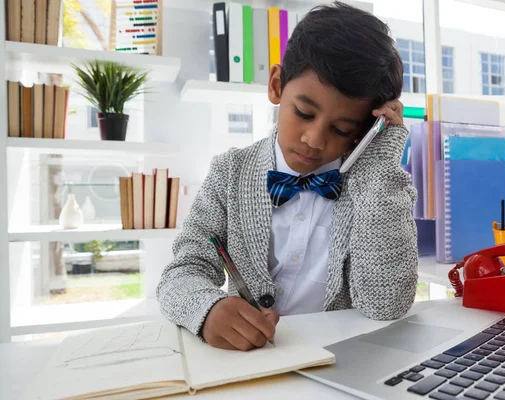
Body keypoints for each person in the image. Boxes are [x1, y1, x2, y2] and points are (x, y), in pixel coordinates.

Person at [157, 1, 418, 351]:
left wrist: (379, 165)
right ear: (277, 85)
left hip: (344, 362)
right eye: (303, 113)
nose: (315, 140)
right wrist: (207, 310)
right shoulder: (230, 173)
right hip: (251, 360)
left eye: (342, 129)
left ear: (367, 128)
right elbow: (182, 271)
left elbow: (386, 304)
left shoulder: (379, 189)